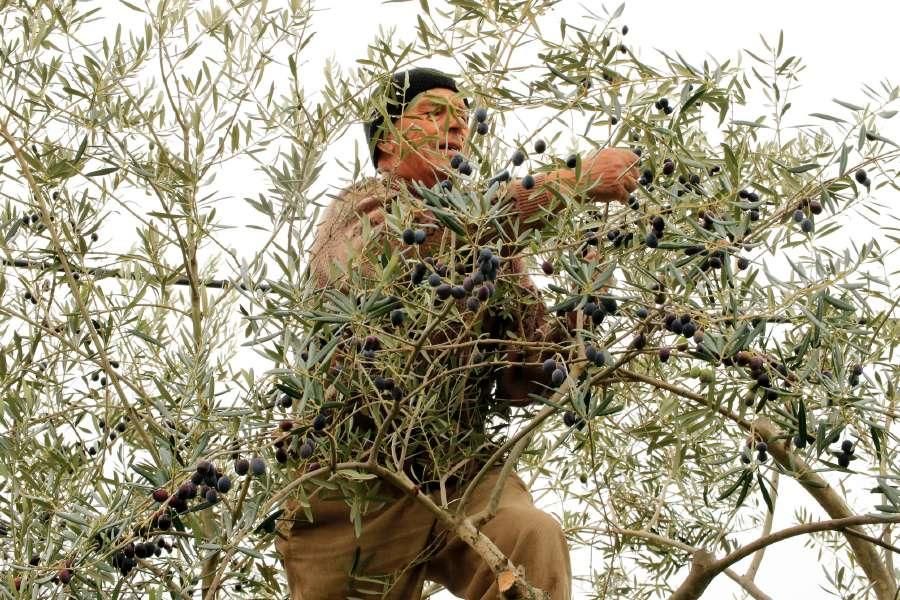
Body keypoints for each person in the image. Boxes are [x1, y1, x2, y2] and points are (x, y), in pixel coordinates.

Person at [275, 67, 639, 599]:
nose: (457, 127)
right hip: (352, 476)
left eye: (464, 118)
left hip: (456, 464)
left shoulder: (495, 250)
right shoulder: (357, 209)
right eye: (434, 112)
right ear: (385, 138)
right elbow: (409, 254)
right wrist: (572, 182)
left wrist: (585, 299)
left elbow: (527, 377)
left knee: (530, 537)